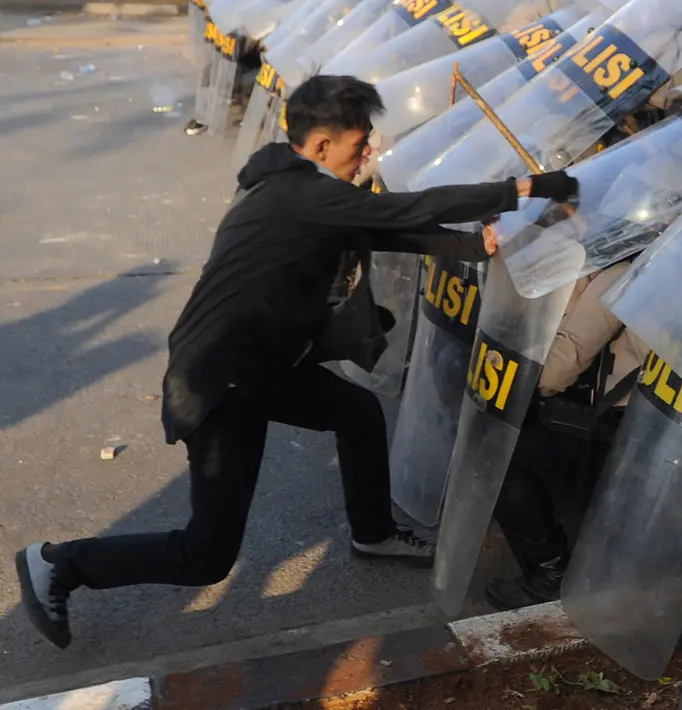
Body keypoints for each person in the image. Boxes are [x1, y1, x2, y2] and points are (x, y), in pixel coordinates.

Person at [15, 74, 579, 650]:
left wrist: (467, 246)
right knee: (206, 554)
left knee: (357, 413)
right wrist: (521, 189)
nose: (369, 155)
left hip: (259, 366)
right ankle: (61, 564)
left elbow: (375, 226)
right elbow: (404, 209)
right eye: (360, 146)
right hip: (221, 382)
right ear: (320, 146)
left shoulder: (294, 184)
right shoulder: (302, 195)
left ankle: (373, 533)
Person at [484, 260, 650, 610]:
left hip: (623, 437)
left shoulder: (632, 270)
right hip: (671, 434)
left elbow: (557, 367)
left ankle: (550, 573)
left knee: (497, 451)